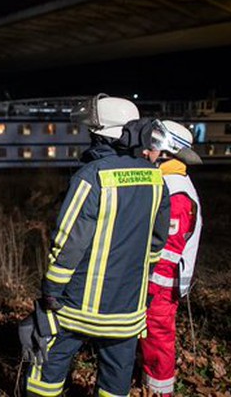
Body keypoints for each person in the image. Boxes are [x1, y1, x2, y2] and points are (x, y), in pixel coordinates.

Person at [24, 93, 171, 397]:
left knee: (47, 371)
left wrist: (51, 290)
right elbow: (156, 246)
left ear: (99, 134)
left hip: (78, 308)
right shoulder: (156, 179)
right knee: (115, 384)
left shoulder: (91, 176)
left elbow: (69, 243)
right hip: (128, 310)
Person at [139, 120, 203, 396]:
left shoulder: (175, 191)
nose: (145, 151)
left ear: (167, 150)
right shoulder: (167, 181)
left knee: (157, 339)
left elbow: (167, 252)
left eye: (151, 145)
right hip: (157, 282)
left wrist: (149, 291)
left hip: (162, 286)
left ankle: (160, 390)